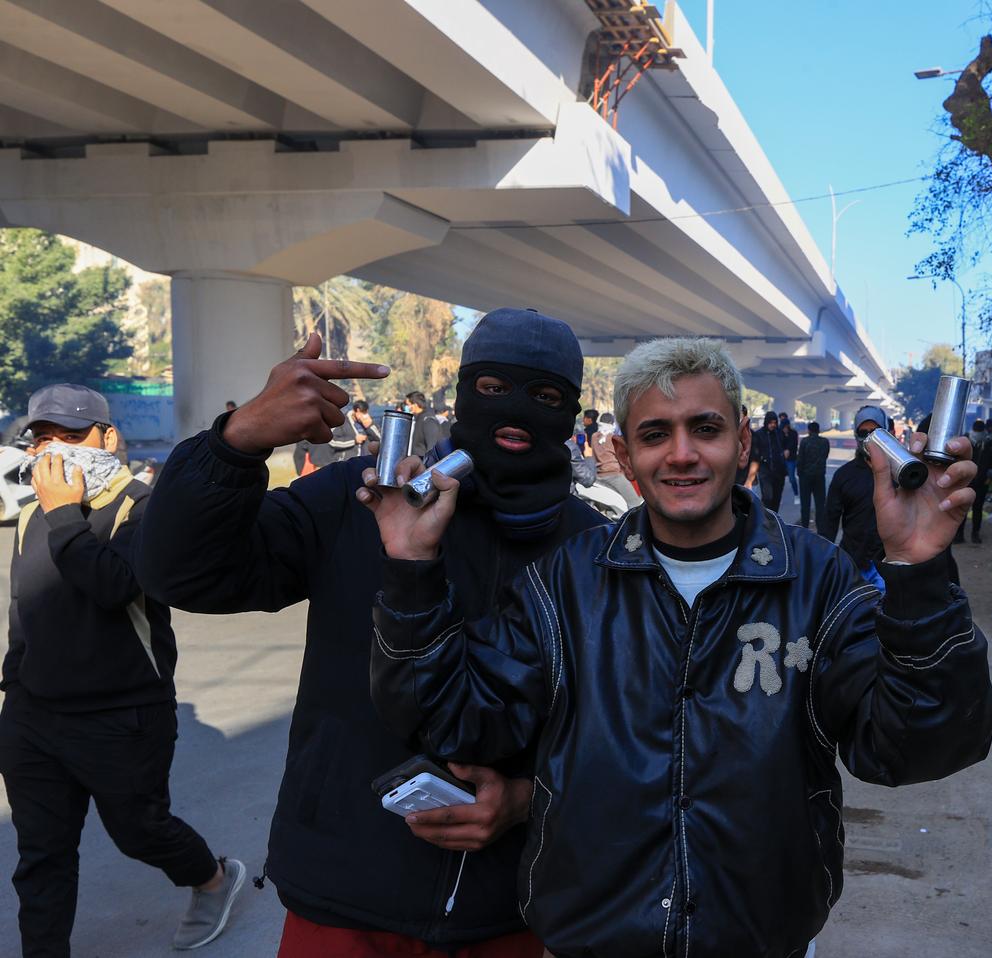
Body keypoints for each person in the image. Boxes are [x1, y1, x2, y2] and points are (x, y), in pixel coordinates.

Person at [364, 337, 992, 958]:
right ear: (623, 454)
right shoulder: (565, 583)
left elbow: (916, 747)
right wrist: (412, 565)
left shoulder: (819, 580)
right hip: (589, 939)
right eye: (656, 434)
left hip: (761, 940)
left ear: (742, 441)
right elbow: (454, 721)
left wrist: (918, 569)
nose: (683, 455)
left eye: (706, 428)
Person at [134, 312, 606, 957]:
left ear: (572, 413)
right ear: (464, 393)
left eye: (546, 398)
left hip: (514, 910)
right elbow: (181, 574)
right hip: (343, 899)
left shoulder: (598, 550)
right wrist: (237, 442)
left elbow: (627, 733)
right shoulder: (360, 500)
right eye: (493, 389)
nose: (517, 413)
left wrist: (529, 802)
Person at [0, 384, 243, 957]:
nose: (55, 451)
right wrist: (13, 690)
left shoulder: (144, 507)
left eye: (70, 435)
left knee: (140, 831)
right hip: (34, 716)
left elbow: (113, 585)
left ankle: (211, 877)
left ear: (108, 437)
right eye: (44, 439)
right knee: (41, 857)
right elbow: (25, 608)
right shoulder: (32, 511)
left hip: (122, 715)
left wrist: (65, 514)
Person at [820, 405, 888, 591]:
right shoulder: (844, 475)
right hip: (852, 564)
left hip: (888, 567)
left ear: (886, 432)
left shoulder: (900, 474)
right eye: (863, 432)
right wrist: (821, 562)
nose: (869, 437)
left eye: (875, 431)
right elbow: (829, 522)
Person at [957, 419, 992, 545]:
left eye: (979, 431)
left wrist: (989, 479)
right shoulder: (964, 443)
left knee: (977, 509)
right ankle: (959, 535)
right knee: (963, 509)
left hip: (982, 483)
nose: (977, 434)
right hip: (966, 482)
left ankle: (975, 534)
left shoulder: (990, 445)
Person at [590, 412, 643, 509]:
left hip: (599, 476)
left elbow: (593, 456)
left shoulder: (594, 437)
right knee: (635, 503)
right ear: (612, 423)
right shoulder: (614, 438)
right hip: (614, 476)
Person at [747, 410, 788, 511]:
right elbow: (754, 453)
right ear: (766, 422)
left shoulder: (779, 433)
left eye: (775, 423)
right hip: (765, 470)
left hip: (779, 471)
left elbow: (786, 444)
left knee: (776, 498)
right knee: (767, 497)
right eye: (771, 423)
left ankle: (773, 521)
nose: (773, 425)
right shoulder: (759, 434)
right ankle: (765, 519)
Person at [796, 420, 829, 529]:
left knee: (805, 504)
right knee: (820, 504)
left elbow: (800, 459)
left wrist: (800, 473)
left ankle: (805, 528)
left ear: (809, 430)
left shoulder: (804, 442)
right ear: (818, 430)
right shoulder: (825, 442)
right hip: (819, 476)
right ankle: (821, 527)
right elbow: (825, 456)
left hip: (805, 477)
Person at [406, 391, 442, 459]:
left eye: (408, 404)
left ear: (415, 404)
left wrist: (427, 465)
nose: (408, 407)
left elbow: (432, 447)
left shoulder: (428, 420)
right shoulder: (418, 419)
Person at [779, 412, 800, 503]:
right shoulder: (779, 433)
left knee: (792, 478)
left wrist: (788, 450)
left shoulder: (794, 433)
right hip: (782, 459)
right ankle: (778, 497)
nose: (785, 430)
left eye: (786, 428)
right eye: (783, 428)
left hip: (791, 459)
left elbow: (794, 444)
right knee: (780, 479)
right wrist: (783, 450)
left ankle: (796, 495)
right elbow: (779, 444)